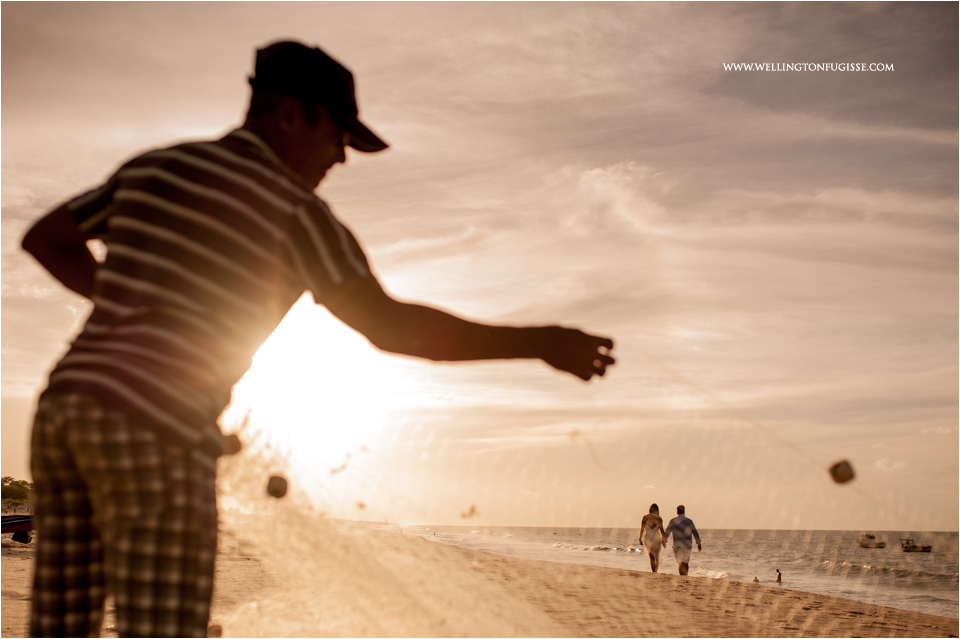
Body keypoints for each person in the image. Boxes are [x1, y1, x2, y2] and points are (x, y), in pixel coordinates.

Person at [21, 40, 616, 638]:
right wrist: (541, 341)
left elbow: (46, 239)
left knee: (60, 624)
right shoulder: (296, 213)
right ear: (289, 114)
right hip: (154, 425)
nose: (342, 157)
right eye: (338, 135)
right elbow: (392, 328)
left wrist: (134, 303)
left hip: (65, 409)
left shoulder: (156, 167)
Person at [664, 504, 701, 576]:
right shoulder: (689, 521)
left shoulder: (673, 521)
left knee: (680, 562)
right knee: (686, 562)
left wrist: (664, 541)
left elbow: (667, 532)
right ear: (684, 511)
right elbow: (695, 532)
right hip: (687, 545)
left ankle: (682, 577)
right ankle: (685, 576)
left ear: (677, 512)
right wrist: (698, 543)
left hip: (677, 545)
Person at [638, 503, 667, 573]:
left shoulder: (645, 518)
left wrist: (640, 538)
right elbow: (662, 531)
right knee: (657, 556)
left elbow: (642, 529)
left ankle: (653, 571)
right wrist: (664, 540)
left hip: (648, 537)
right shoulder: (659, 519)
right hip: (656, 537)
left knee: (651, 556)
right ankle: (655, 571)